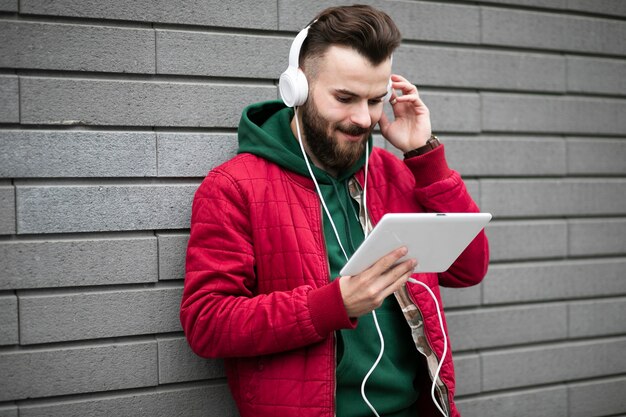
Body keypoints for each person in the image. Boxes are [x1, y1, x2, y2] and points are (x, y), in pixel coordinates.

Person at [180, 5, 489, 417]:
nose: (363, 118)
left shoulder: (392, 174)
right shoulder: (235, 187)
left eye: (375, 99)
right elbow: (207, 323)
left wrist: (423, 155)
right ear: (297, 89)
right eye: (345, 98)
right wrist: (332, 305)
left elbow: (468, 269)